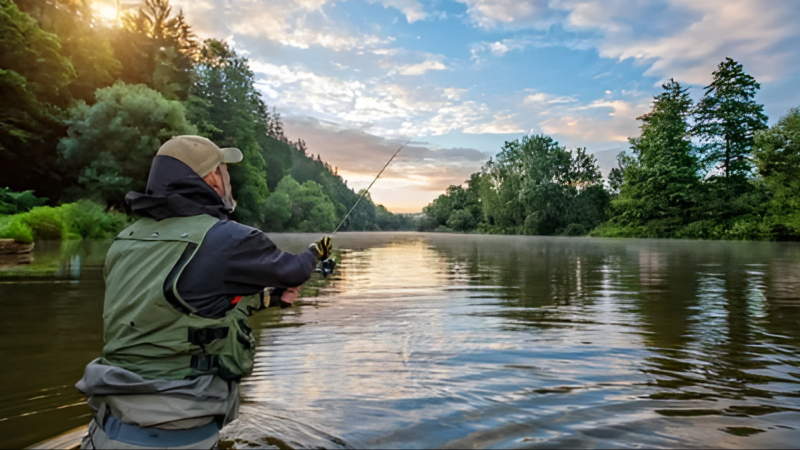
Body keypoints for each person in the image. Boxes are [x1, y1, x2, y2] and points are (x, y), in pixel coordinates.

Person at [76, 135, 333, 449]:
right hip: (178, 432)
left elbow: (178, 304)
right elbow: (295, 270)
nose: (228, 179)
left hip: (105, 426)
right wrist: (314, 252)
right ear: (212, 177)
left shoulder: (126, 240)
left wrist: (269, 297)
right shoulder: (227, 239)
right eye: (225, 171)